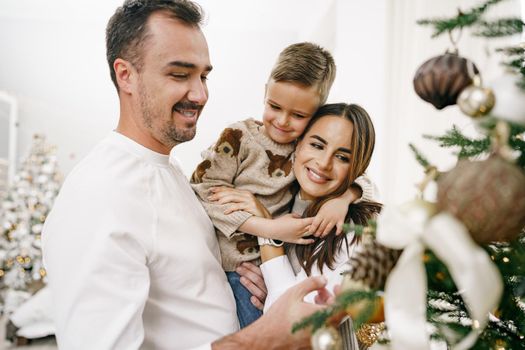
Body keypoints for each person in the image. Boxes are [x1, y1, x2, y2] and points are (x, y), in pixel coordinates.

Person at [41, 1, 332, 349]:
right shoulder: (98, 195)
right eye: (180, 74)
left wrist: (260, 289)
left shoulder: (172, 171)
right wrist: (261, 339)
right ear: (126, 75)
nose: (201, 94)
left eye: (204, 75)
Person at [190, 43, 376, 328]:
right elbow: (204, 190)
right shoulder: (239, 138)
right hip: (236, 266)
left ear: (312, 117)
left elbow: (361, 178)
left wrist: (344, 199)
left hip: (271, 272)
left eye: (299, 116)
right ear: (265, 92)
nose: (283, 121)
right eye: (274, 106)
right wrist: (267, 228)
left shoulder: (300, 150)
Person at [209, 103, 380, 313]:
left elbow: (293, 317)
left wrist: (267, 230)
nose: (324, 163)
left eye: (342, 157)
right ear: (297, 144)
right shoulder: (279, 190)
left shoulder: (350, 228)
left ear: (357, 167)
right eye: (317, 145)